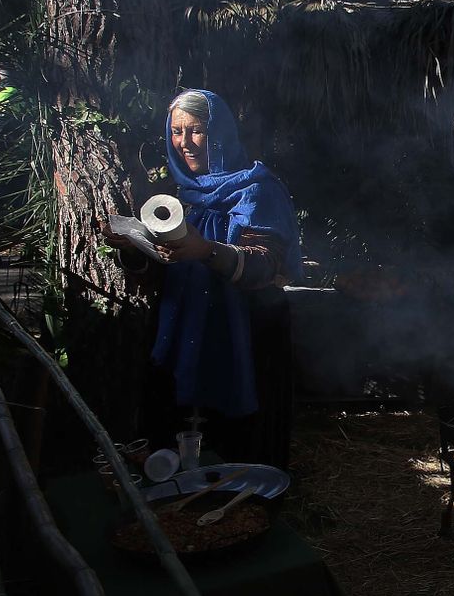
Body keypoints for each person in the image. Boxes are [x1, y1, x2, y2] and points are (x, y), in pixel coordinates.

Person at [101, 89, 303, 468]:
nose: (185, 143)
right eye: (176, 132)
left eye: (196, 131)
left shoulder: (258, 189)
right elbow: (170, 270)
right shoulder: (186, 196)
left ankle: (245, 506)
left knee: (238, 445)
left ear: (220, 134)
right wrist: (133, 248)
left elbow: (266, 263)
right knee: (182, 432)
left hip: (247, 329)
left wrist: (206, 251)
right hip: (189, 329)